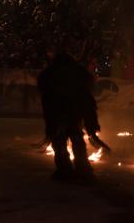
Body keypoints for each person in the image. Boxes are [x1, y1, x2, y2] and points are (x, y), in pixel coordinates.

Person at [37, 52, 109, 182]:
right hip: (72, 113)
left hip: (61, 113)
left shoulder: (49, 74)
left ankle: (66, 170)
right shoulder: (78, 73)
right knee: (75, 140)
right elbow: (87, 98)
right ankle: (82, 170)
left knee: (60, 141)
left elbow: (47, 98)